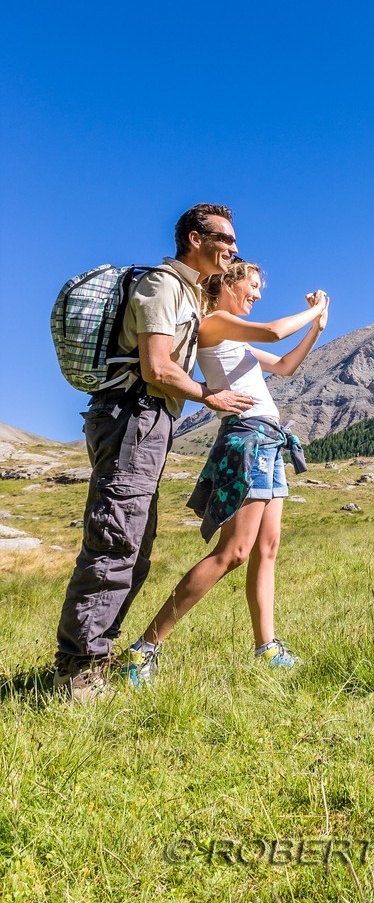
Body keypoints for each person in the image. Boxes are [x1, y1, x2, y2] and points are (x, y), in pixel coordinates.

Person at [54, 204, 256, 702]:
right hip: (133, 415)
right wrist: (210, 396)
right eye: (225, 239)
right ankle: (78, 671)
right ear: (195, 238)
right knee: (116, 539)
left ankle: (97, 654)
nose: (233, 248)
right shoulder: (162, 286)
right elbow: (157, 367)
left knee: (135, 545)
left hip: (148, 421)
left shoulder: (189, 292)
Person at [118, 261, 329, 685]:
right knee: (233, 552)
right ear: (228, 283)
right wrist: (316, 308)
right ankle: (143, 650)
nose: (257, 294)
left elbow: (284, 365)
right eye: (252, 286)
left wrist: (316, 329)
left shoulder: (235, 338)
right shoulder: (215, 323)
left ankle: (267, 649)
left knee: (267, 549)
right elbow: (274, 332)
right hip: (247, 439)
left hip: (269, 439)